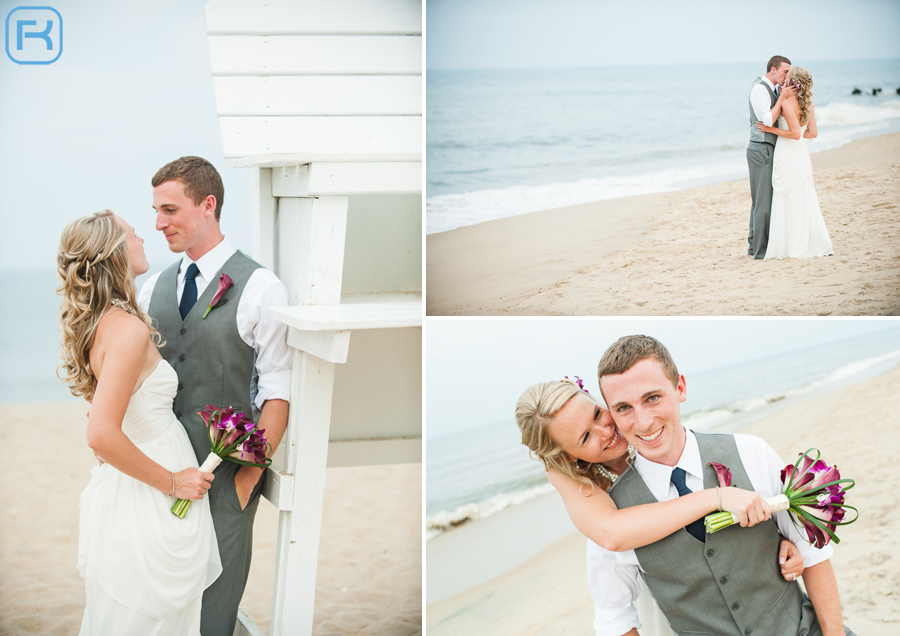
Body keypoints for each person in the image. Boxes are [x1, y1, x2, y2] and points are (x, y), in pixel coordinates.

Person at [593, 335, 855, 636]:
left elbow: (812, 554)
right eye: (623, 408)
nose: (643, 422)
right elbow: (615, 618)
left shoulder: (750, 452)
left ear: (680, 388)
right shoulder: (612, 516)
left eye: (652, 398)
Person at [516, 379, 805, 636]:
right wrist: (715, 497)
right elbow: (613, 601)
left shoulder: (662, 440)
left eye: (596, 414)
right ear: (569, 458)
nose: (604, 431)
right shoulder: (599, 503)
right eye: (585, 437)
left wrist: (772, 539)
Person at [137, 156, 291, 635]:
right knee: (162, 603)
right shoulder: (150, 290)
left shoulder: (262, 288)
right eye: (156, 211)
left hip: (226, 483)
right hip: (158, 477)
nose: (159, 223)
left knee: (213, 615)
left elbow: (278, 392)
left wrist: (246, 481)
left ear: (208, 205)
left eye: (170, 210)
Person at [58, 210, 221, 635]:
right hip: (149, 492)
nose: (144, 238)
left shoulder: (103, 323)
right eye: (133, 234)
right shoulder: (127, 330)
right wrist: (173, 482)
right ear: (114, 254)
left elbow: (105, 416)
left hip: (133, 480)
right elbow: (100, 433)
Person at [755, 66, 834, 259]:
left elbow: (795, 133)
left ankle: (791, 245)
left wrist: (771, 130)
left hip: (787, 151)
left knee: (787, 195)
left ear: (794, 81)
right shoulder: (807, 103)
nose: (785, 78)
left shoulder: (788, 102)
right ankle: (807, 242)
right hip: (801, 152)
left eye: (788, 76)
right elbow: (811, 133)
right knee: (802, 194)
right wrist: (796, 135)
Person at [747, 55, 798, 259]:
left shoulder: (775, 90)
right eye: (785, 71)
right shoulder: (760, 89)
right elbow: (766, 120)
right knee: (763, 202)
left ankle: (754, 246)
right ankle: (760, 251)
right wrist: (783, 98)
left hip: (767, 147)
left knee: (760, 200)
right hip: (761, 148)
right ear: (773, 69)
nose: (787, 75)